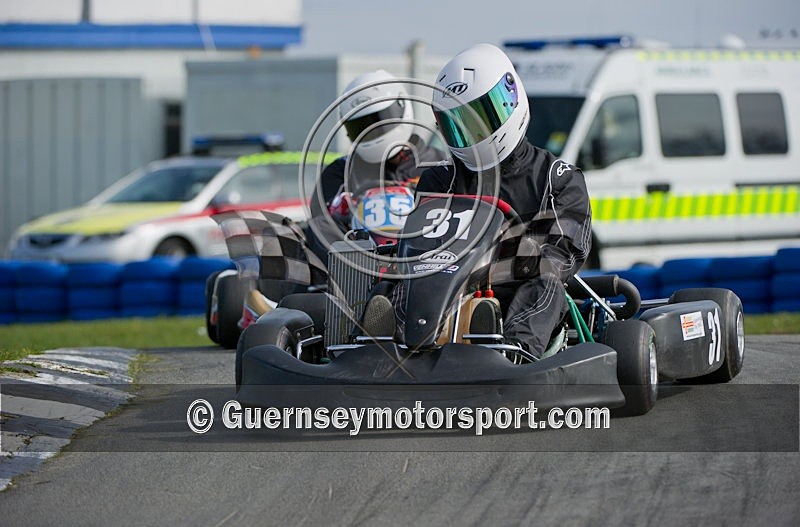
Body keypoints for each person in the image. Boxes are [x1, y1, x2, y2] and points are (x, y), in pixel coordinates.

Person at [411, 43, 593, 358]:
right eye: (459, 125)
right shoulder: (438, 181)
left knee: (547, 275)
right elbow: (418, 251)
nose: (471, 134)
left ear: (511, 99)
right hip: (446, 297)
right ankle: (380, 346)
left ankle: (512, 353)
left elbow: (560, 254)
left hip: (520, 297)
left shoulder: (557, 179)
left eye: (479, 119)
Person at [306, 69, 445, 262]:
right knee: (315, 227)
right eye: (362, 126)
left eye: (378, 123)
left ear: (400, 108)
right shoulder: (340, 173)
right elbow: (319, 227)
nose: (372, 133)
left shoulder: (439, 165)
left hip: (424, 259)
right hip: (359, 266)